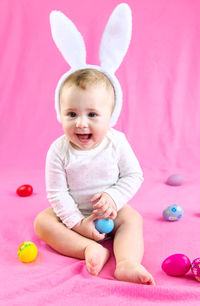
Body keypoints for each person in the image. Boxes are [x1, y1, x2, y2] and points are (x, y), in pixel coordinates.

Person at [34, 68, 155, 285]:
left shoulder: (116, 143)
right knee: (43, 222)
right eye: (71, 114)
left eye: (92, 114)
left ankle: (127, 263)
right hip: (73, 212)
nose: (81, 123)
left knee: (132, 219)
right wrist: (77, 223)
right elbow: (57, 193)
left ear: (110, 117)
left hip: (110, 212)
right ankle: (89, 248)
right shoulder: (58, 150)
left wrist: (113, 198)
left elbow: (133, 175)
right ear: (60, 114)